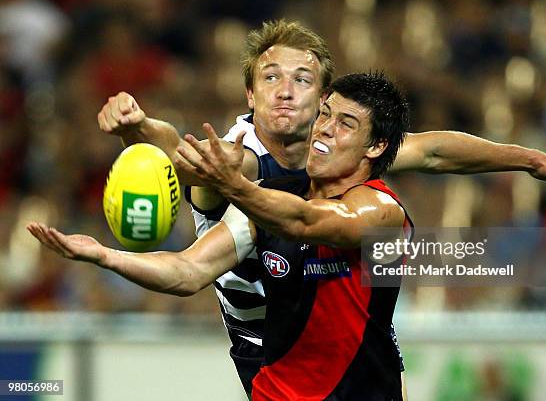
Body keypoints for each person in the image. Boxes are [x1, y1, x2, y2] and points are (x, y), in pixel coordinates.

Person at [96, 20, 546, 395]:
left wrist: (534, 160)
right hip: (266, 342)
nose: (286, 91)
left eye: (302, 79)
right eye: (270, 78)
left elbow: (437, 150)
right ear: (250, 93)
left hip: (350, 337)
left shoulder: (342, 146)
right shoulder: (237, 160)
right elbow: (181, 158)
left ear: (324, 98)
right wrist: (139, 127)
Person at [28, 71, 413, 400]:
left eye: (346, 123)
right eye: (325, 114)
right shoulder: (269, 199)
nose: (326, 128)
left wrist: (232, 185)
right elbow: (187, 271)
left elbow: (305, 222)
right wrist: (104, 256)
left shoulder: (380, 211)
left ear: (376, 146)